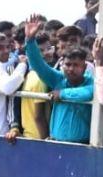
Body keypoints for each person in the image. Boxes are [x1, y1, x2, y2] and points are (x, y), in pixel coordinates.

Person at [24, 16, 92, 144]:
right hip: (56, 143)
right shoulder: (58, 79)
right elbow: (38, 65)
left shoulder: (90, 81)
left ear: (84, 67)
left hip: (82, 145)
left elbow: (88, 93)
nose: (71, 69)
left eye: (76, 65)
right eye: (68, 64)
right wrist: (30, 40)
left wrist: (62, 94)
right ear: (62, 65)